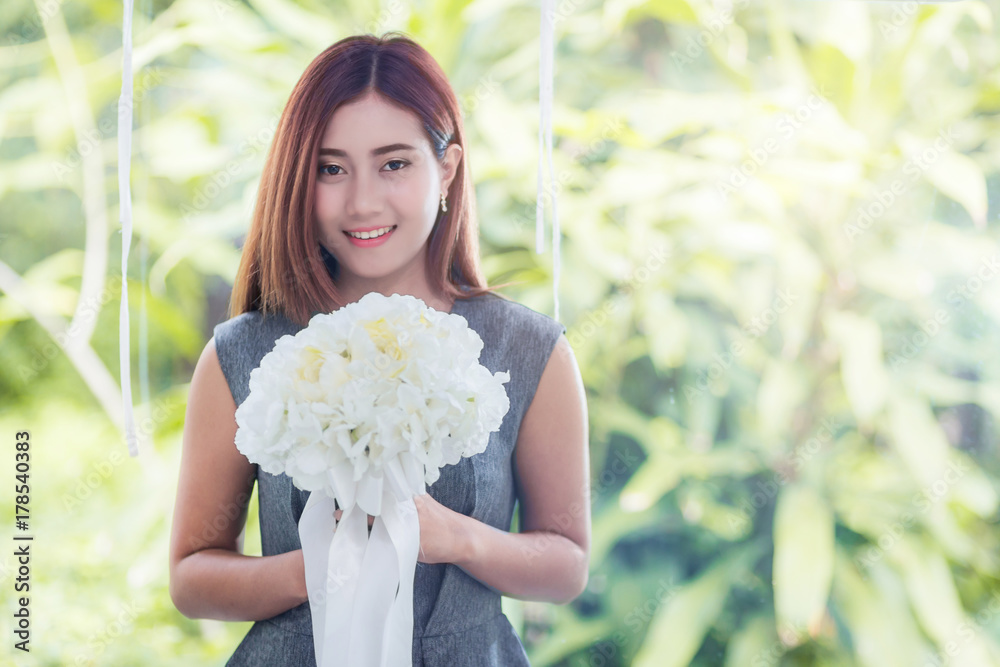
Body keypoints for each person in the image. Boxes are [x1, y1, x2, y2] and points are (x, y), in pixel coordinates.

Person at [168, 32, 590, 666]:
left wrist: (457, 539)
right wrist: (317, 566)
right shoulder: (245, 352)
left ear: (445, 168)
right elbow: (192, 577)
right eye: (330, 169)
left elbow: (566, 565)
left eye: (394, 163)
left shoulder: (529, 350)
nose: (362, 201)